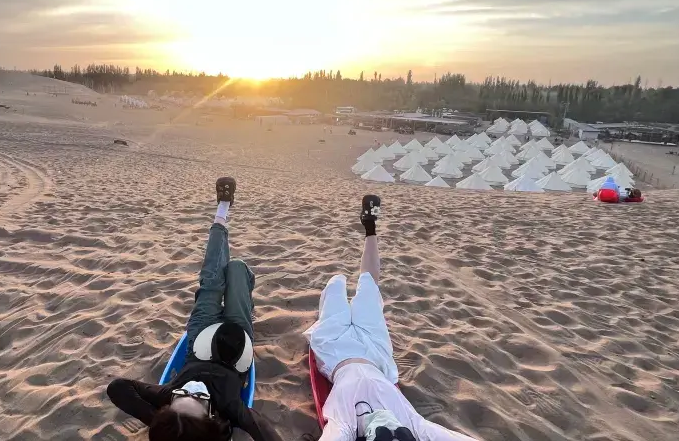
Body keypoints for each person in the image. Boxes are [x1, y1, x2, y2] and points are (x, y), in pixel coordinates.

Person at [107, 177, 281, 441]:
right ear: (211, 416)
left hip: (201, 337)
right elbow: (266, 433)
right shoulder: (229, 408)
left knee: (211, 279)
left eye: (182, 395)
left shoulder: (167, 397)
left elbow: (117, 388)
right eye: (198, 398)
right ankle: (241, 284)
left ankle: (222, 209)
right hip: (236, 342)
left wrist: (160, 421)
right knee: (236, 268)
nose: (191, 388)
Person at [304, 195, 477, 441]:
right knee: (368, 287)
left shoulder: (346, 425)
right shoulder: (412, 424)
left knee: (335, 285)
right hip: (374, 351)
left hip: (335, 349)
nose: (393, 431)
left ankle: (342, 276)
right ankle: (370, 225)